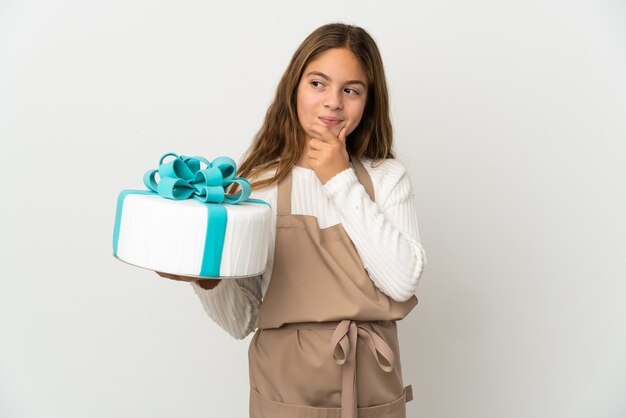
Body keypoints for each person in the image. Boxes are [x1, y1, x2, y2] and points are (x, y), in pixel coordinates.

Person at [159, 22, 427, 418]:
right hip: (284, 392)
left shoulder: (387, 178)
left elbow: (402, 282)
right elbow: (242, 321)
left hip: (371, 388)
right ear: (294, 89)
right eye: (318, 83)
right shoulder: (256, 187)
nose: (333, 102)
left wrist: (339, 179)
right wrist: (208, 279)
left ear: (368, 102)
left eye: (351, 90)